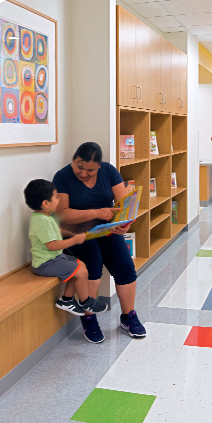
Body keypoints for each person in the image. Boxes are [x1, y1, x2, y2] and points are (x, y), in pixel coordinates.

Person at [53, 142, 146, 344]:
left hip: (106, 230)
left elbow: (123, 205)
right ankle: (89, 318)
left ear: (99, 166)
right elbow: (62, 214)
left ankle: (128, 316)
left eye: (90, 170)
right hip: (76, 234)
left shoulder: (109, 171)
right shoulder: (62, 177)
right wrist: (96, 213)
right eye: (79, 167)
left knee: (125, 267)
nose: (83, 173)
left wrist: (124, 225)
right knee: (92, 266)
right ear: (73, 158)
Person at [24, 179, 108, 317]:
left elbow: (56, 231)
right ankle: (85, 301)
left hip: (54, 258)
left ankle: (67, 300)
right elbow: (52, 245)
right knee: (81, 272)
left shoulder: (45, 216)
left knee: (81, 265)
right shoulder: (41, 221)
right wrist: (74, 240)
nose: (58, 200)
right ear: (46, 203)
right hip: (45, 263)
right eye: (55, 197)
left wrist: (72, 235)